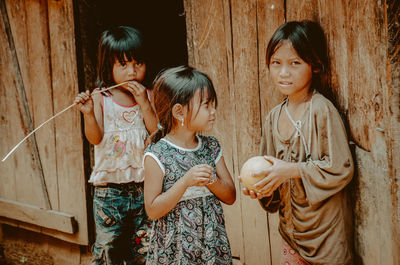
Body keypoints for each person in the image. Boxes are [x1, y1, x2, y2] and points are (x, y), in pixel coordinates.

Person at [240, 21, 354, 264]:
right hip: (290, 233)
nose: (283, 72)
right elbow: (272, 177)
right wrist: (261, 187)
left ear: (313, 65)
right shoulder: (273, 118)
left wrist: (290, 170)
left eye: (295, 63)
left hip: (325, 236)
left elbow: (340, 168)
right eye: (276, 63)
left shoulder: (321, 110)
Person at [74, 26, 158, 265]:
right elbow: (96, 138)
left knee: (144, 247)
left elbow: (156, 132)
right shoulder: (101, 97)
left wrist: (144, 102)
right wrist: (89, 114)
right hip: (109, 192)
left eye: (138, 63)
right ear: (107, 67)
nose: (132, 72)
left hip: (144, 188)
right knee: (109, 248)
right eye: (123, 65)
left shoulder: (148, 95)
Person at [143, 65, 236, 264]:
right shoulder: (157, 154)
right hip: (175, 250)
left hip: (211, 244)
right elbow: (152, 210)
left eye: (213, 104)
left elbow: (230, 196)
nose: (213, 111)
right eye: (206, 105)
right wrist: (185, 181)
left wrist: (210, 180)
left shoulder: (211, 147)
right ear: (179, 112)